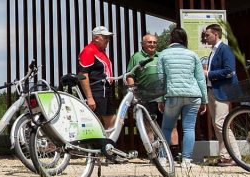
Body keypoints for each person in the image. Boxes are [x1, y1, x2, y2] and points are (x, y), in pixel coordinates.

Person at [156, 27, 208, 168]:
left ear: (170, 39)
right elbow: (200, 79)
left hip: (173, 95)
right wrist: (204, 100)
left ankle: (163, 158)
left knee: (166, 128)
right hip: (193, 95)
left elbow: (161, 79)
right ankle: (186, 161)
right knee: (189, 128)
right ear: (185, 39)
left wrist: (160, 99)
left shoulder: (163, 54)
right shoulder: (192, 55)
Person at [125, 33, 176, 163]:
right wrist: (133, 91)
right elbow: (130, 75)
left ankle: (174, 155)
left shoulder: (161, 56)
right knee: (149, 126)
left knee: (171, 125)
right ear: (143, 44)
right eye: (149, 42)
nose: (152, 44)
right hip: (145, 98)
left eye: (154, 42)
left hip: (164, 97)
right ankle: (153, 155)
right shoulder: (137, 57)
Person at [203, 24, 239, 167]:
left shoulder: (225, 49)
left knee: (221, 123)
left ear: (216, 34)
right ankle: (225, 156)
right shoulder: (213, 51)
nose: (205, 38)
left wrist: (208, 73)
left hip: (222, 91)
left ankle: (234, 156)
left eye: (207, 35)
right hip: (212, 90)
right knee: (217, 123)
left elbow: (230, 71)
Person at [77, 26, 117, 129]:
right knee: (95, 123)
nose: (108, 40)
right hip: (96, 91)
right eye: (105, 37)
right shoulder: (89, 50)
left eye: (109, 38)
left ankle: (109, 143)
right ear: (96, 38)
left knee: (112, 121)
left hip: (105, 90)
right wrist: (89, 98)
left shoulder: (101, 51)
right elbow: (82, 75)